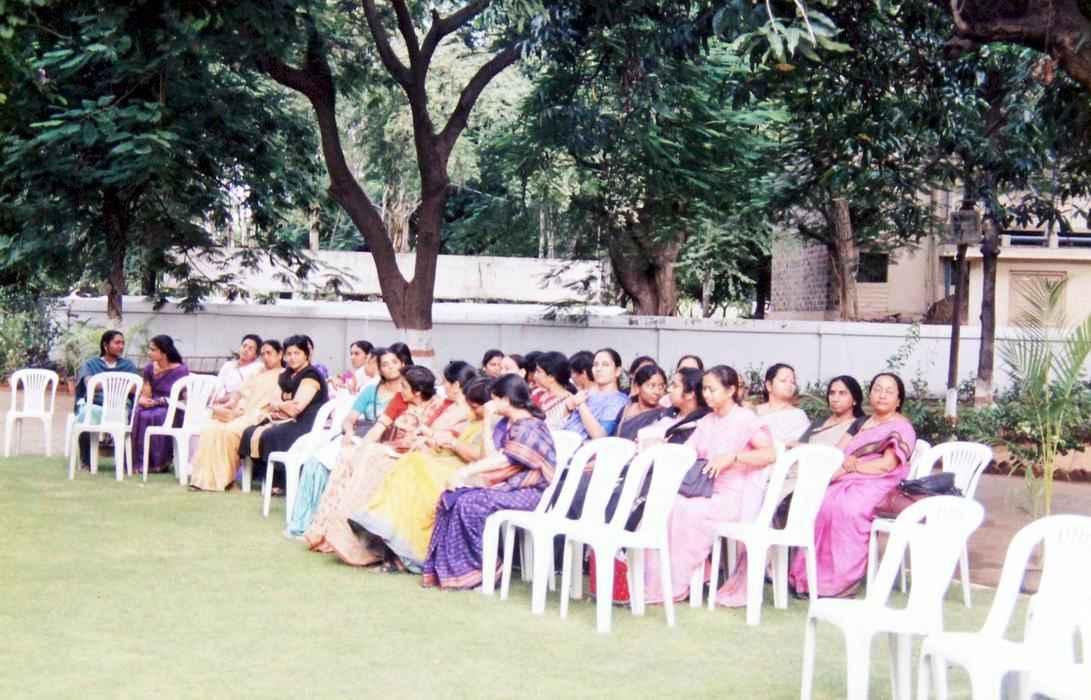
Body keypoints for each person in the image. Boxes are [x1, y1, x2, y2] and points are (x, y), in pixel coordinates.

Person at [304, 365, 470, 565]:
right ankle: (328, 531)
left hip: (418, 455)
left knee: (374, 463)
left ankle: (357, 540)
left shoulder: (442, 405)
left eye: (404, 386)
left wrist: (422, 440)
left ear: (418, 391)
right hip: (397, 448)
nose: (442, 385)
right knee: (351, 457)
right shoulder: (402, 399)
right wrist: (362, 449)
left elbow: (441, 437)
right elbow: (379, 428)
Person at [643, 365, 775, 605]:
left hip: (732, 496)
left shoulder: (745, 419)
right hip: (704, 489)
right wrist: (661, 448)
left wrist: (734, 457)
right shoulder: (707, 420)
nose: (707, 395)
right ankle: (664, 582)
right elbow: (687, 452)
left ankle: (677, 584)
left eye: (712, 390)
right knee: (665, 506)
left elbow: (770, 454)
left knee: (688, 511)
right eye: (704, 389)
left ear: (730, 390)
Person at [421, 375, 556, 590]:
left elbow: (505, 460)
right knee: (452, 499)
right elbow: (491, 456)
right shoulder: (507, 423)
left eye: (494, 399)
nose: (490, 404)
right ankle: (455, 572)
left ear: (506, 399)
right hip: (509, 487)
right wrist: (486, 422)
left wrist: (465, 472)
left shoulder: (530, 426)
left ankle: (487, 571)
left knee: (469, 504)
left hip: (531, 491)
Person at [788, 372, 916, 599]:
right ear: (870, 394)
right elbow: (838, 453)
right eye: (877, 389)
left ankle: (843, 582)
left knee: (848, 508)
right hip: (850, 476)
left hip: (880, 481)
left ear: (898, 400)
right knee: (820, 503)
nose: (882, 395)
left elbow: (887, 465)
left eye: (889, 391)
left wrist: (854, 466)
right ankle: (811, 578)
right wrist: (835, 471)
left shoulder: (901, 427)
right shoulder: (862, 423)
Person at [347, 376, 493, 572]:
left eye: (475, 407)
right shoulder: (475, 419)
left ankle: (401, 550)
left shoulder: (491, 423)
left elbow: (481, 457)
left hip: (467, 472)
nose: (471, 410)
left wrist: (452, 443)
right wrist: (438, 441)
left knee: (414, 466)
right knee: (409, 466)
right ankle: (385, 537)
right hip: (449, 462)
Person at [284, 346, 406, 536]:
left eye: (394, 363)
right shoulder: (370, 391)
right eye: (384, 364)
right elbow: (350, 419)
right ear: (379, 368)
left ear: (402, 364)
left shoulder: (407, 393)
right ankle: (305, 523)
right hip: (359, 434)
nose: (389, 367)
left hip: (385, 443)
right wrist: (348, 432)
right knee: (316, 463)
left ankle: (338, 529)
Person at [188, 340, 285, 491]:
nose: (265, 357)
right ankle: (202, 479)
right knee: (210, 429)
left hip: (260, 416)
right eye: (263, 354)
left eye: (269, 353)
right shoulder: (257, 373)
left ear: (280, 354)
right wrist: (230, 405)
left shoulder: (284, 375)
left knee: (229, 431)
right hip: (240, 412)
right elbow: (239, 393)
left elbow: (277, 402)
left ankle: (226, 481)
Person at [238, 335, 329, 490]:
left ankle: (281, 483)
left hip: (306, 423)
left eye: (297, 353)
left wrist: (280, 404)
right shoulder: (286, 374)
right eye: (289, 354)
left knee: (270, 435)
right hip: (285, 419)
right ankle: (265, 479)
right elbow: (273, 402)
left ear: (306, 354)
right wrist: (283, 405)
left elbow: (296, 409)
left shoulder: (311, 375)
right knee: (249, 432)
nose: (292, 358)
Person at [73, 330, 140, 470]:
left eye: (123, 343)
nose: (121, 346)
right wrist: (120, 384)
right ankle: (86, 462)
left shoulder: (127, 365)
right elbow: (90, 384)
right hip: (96, 405)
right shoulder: (91, 364)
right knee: (84, 415)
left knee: (129, 416)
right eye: (117, 343)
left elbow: (135, 388)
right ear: (105, 345)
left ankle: (123, 462)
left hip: (120, 408)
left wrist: (105, 383)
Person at [131, 335, 190, 475]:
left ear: (164, 352)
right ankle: (140, 462)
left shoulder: (181, 370)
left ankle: (159, 463)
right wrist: (142, 400)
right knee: (140, 412)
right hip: (153, 404)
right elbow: (147, 393)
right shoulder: (149, 368)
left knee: (157, 415)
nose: (149, 352)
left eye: (153, 350)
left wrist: (161, 401)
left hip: (172, 406)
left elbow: (183, 395)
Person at [563, 348, 630, 439]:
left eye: (605, 365)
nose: (598, 369)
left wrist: (581, 404)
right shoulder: (586, 394)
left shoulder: (619, 400)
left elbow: (599, 435)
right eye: (595, 365)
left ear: (617, 371)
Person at [754, 363, 810, 444]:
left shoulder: (799, 415)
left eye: (793, 382)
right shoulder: (753, 412)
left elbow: (804, 443)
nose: (789, 385)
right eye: (783, 381)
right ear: (769, 385)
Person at [614, 364, 667, 439]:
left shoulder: (663, 414)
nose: (657, 392)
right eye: (651, 386)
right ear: (637, 387)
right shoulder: (625, 410)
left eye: (661, 387)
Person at [532, 351, 574, 429]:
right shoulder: (537, 393)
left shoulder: (569, 401)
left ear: (551, 377)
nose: (535, 376)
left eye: (538, 371)